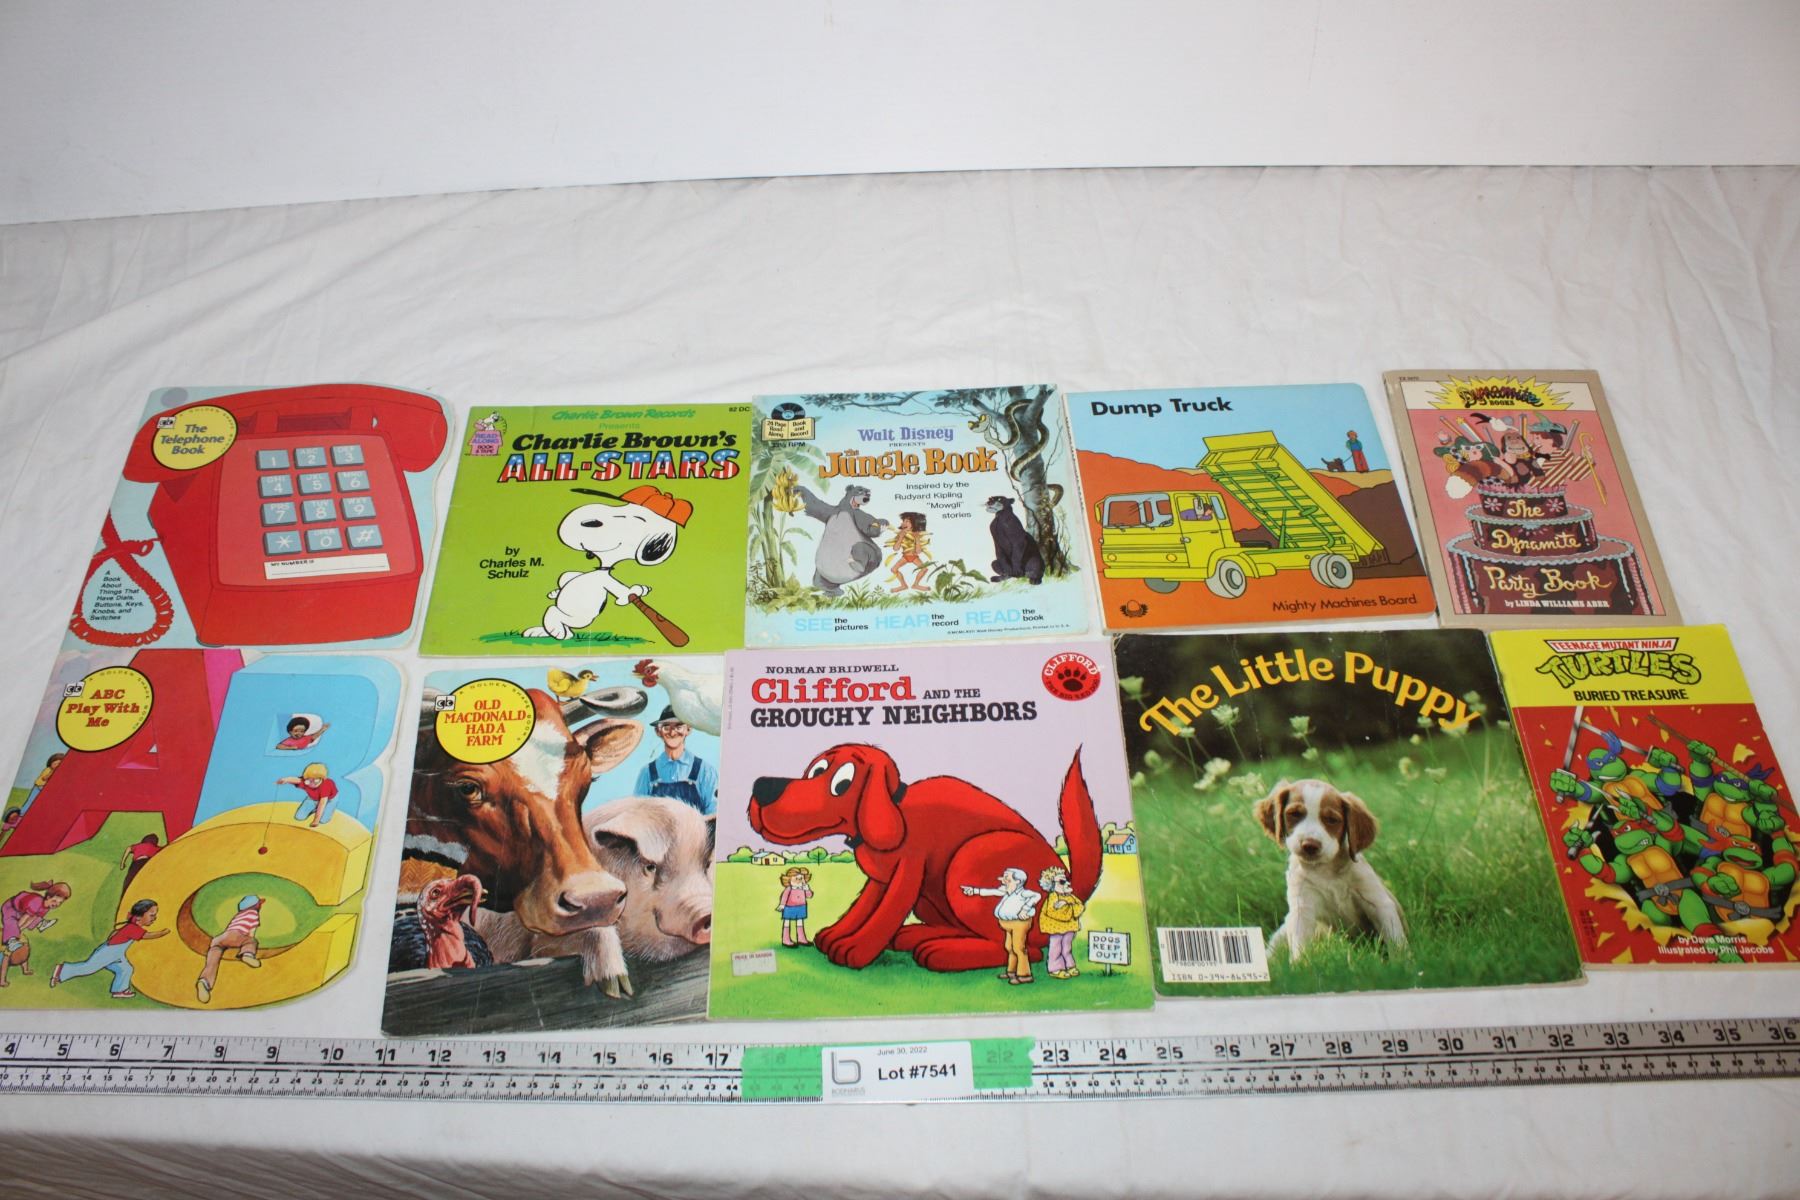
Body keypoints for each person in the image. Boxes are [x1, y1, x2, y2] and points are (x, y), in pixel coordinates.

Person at [51, 899, 168, 999]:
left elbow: (115, 933)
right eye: (152, 915)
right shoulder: (133, 928)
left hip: (116, 954)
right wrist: (163, 932)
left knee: (125, 969)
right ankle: (62, 970)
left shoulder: (132, 927)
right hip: (108, 953)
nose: (154, 918)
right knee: (88, 968)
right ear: (139, 916)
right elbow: (147, 936)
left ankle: (119, 990)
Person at [631, 707, 718, 816]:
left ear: (688, 729)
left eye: (678, 727)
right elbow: (637, 816)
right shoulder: (646, 773)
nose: (672, 733)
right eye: (666, 727)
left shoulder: (705, 771)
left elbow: (714, 815)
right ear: (658, 731)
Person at [962, 867, 1041, 984]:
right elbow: (992, 892)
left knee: (1018, 948)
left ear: (1018, 881)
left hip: (1019, 923)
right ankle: (1011, 972)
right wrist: (974, 891)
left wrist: (1025, 908)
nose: (1003, 879)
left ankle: (1024, 975)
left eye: (1007, 877)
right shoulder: (1007, 891)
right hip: (1007, 924)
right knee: (1009, 947)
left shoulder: (1023, 893)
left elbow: (1037, 895)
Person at [0, 881, 70, 987]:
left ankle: (40, 924)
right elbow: (24, 919)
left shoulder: (45, 908)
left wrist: (20, 931)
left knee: (33, 920)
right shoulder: (36, 902)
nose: (56, 904)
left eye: (59, 903)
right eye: (55, 900)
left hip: (21, 912)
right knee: (11, 924)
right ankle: (11, 940)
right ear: (48, 897)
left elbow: (31, 919)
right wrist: (15, 933)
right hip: (10, 908)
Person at [197, 894, 263, 1003]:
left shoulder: (238, 915)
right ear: (256, 906)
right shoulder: (254, 914)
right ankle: (247, 954)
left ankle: (204, 982)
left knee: (212, 961)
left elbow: (230, 929)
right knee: (251, 941)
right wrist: (248, 942)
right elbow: (251, 933)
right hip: (237, 936)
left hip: (220, 938)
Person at [1037, 866, 1086, 979]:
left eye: (1066, 880)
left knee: (1067, 947)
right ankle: (1056, 969)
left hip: (1070, 928)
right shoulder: (1053, 897)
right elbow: (1053, 912)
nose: (1067, 883)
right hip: (1056, 928)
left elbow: (1080, 907)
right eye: (1062, 882)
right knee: (1056, 948)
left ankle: (1070, 965)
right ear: (1052, 884)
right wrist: (1069, 910)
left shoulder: (1070, 897)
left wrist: (1067, 906)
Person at [884, 512, 932, 593]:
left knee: (924, 569)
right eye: (903, 521)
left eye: (907, 521)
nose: (904, 523)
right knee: (893, 569)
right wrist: (901, 537)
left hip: (914, 557)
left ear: (914, 523)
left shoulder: (917, 534)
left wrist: (917, 538)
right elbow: (895, 548)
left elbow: (918, 551)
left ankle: (915, 584)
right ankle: (903, 585)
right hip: (905, 557)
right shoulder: (901, 534)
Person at [775, 866, 814, 947]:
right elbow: (784, 896)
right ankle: (786, 940)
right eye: (796, 879)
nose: (799, 880)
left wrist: (807, 888)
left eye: (801, 878)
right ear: (789, 879)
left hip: (801, 907)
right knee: (787, 922)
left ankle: (801, 939)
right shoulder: (789, 889)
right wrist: (782, 905)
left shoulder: (803, 888)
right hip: (789, 907)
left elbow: (809, 895)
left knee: (800, 922)